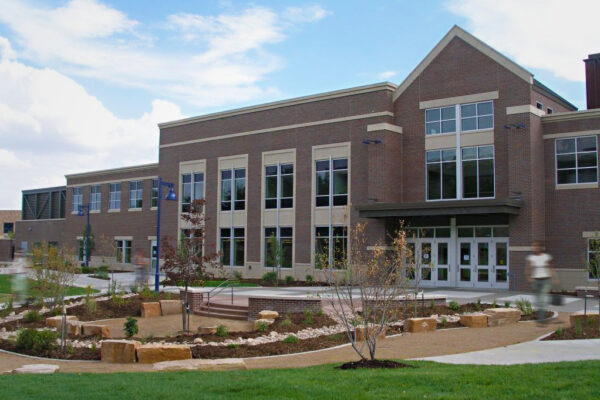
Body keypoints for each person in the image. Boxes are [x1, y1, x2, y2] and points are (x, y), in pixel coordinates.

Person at [525, 240, 556, 323]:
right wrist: (529, 277)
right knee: (538, 299)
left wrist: (553, 278)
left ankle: (541, 319)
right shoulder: (531, 257)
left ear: (540, 247)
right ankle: (542, 313)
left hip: (545, 280)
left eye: (536, 246)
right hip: (536, 280)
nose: (534, 248)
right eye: (533, 246)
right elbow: (528, 268)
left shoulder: (546, 257)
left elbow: (550, 268)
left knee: (541, 298)